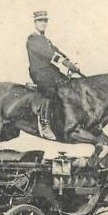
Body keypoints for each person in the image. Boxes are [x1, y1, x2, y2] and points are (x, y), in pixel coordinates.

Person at [26, 11, 80, 139]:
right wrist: (64, 62)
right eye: (40, 21)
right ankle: (44, 123)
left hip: (51, 71)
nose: (43, 23)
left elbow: (56, 51)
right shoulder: (33, 39)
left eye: (45, 21)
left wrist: (69, 62)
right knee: (50, 90)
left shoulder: (45, 40)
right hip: (40, 72)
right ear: (35, 23)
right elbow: (47, 54)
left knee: (69, 85)